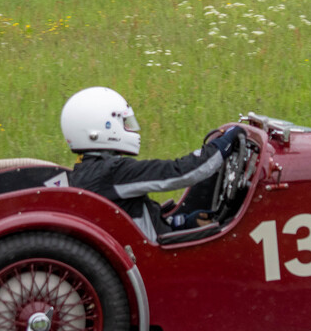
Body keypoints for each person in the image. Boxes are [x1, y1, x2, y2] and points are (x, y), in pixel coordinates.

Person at [60, 86, 246, 242]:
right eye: (125, 123)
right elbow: (179, 173)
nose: (130, 129)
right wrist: (220, 147)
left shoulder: (84, 171)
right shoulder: (112, 172)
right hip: (157, 263)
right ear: (101, 128)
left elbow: (133, 216)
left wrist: (180, 222)